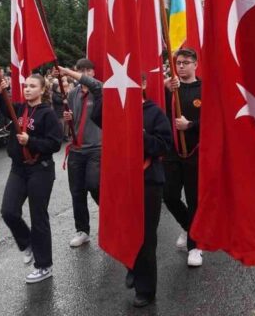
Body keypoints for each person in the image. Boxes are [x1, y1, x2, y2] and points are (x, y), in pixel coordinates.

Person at [91, 74, 172, 308]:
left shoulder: (155, 113)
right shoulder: (117, 110)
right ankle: (133, 266)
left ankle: (145, 289)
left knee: (145, 236)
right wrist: (105, 93)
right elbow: (97, 116)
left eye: (135, 80)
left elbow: (164, 146)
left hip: (148, 180)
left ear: (144, 85)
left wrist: (141, 135)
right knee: (124, 229)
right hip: (120, 180)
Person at [0, 74, 63, 284]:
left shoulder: (48, 114)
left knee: (38, 217)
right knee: (8, 211)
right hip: (18, 168)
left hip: (40, 169)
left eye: (33, 86)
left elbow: (55, 143)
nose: (27, 89)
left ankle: (44, 266)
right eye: (26, 86)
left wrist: (30, 141)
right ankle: (27, 243)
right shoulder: (19, 108)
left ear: (42, 90)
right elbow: (5, 108)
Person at [163, 48, 204, 267]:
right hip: (173, 152)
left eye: (186, 62)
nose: (181, 66)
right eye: (178, 62)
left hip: (195, 152)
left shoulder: (204, 88)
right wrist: (164, 88)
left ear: (195, 64)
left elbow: (214, 119)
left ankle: (195, 246)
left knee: (193, 198)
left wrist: (191, 125)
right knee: (169, 195)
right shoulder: (171, 88)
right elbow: (155, 109)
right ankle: (189, 226)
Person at [57, 60, 102, 248]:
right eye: (81, 70)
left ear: (93, 72)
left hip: (96, 148)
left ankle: (111, 215)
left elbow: (92, 83)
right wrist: (69, 118)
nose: (84, 73)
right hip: (76, 148)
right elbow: (74, 121)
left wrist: (67, 71)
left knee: (94, 184)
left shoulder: (99, 90)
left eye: (87, 70)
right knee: (77, 191)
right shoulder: (72, 93)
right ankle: (82, 230)